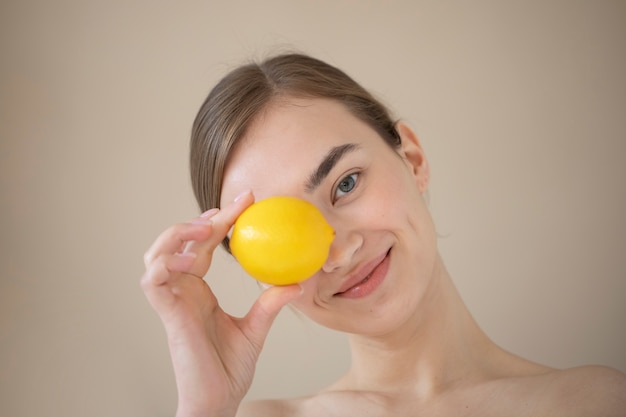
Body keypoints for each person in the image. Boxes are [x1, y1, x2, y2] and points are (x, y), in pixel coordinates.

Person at [141, 53, 626, 417]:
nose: (337, 251)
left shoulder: (596, 402)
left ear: (412, 159)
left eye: (345, 184)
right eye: (282, 232)